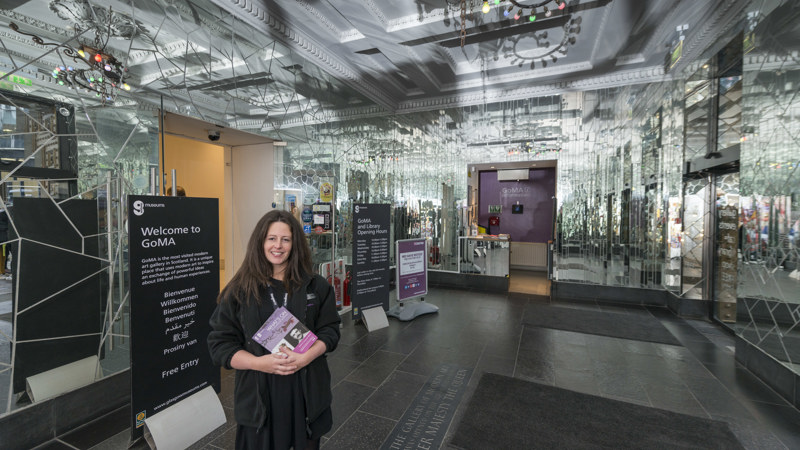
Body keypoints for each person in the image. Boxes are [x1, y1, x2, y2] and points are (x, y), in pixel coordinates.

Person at [208, 209, 340, 450]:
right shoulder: (239, 290)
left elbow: (330, 331)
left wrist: (304, 357)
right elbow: (220, 345)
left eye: (285, 239)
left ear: (295, 244)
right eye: (271, 238)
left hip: (306, 394)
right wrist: (261, 363)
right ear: (261, 242)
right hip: (260, 399)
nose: (278, 246)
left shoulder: (316, 285)